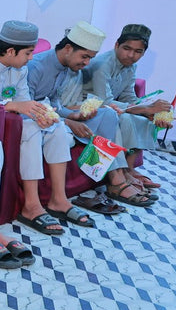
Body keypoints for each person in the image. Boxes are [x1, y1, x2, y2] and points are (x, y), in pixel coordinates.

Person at [0, 20, 79, 236]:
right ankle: (31, 205)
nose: (32, 58)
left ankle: (58, 198)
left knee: (54, 127)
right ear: (11, 51)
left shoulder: (20, 70)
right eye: (28, 53)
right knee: (28, 130)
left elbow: (24, 102)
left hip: (6, 124)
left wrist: (40, 115)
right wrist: (11, 106)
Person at [29, 21, 153, 210]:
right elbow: (30, 108)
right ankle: (117, 179)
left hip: (58, 117)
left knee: (108, 115)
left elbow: (55, 105)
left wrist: (75, 115)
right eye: (85, 57)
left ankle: (117, 175)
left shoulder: (64, 67)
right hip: (41, 123)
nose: (88, 64)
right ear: (68, 48)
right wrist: (69, 121)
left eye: (90, 58)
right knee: (113, 115)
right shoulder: (37, 67)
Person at [84, 23, 167, 190]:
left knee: (141, 118)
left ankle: (129, 169)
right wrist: (145, 108)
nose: (131, 55)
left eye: (138, 52)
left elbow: (128, 97)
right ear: (116, 45)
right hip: (88, 109)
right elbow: (104, 101)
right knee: (128, 117)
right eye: (127, 48)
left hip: (110, 107)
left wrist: (151, 112)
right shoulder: (102, 64)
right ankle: (122, 172)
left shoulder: (130, 66)